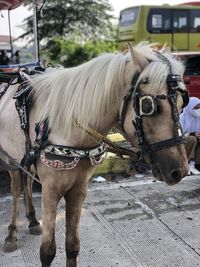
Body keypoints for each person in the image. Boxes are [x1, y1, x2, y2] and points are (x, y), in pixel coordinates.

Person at [180, 97, 200, 175]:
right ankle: (185, 164)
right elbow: (178, 136)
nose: (199, 109)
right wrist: (192, 134)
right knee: (192, 139)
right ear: (190, 107)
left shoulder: (199, 118)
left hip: (193, 142)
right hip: (181, 144)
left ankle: (193, 164)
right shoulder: (182, 118)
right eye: (196, 107)